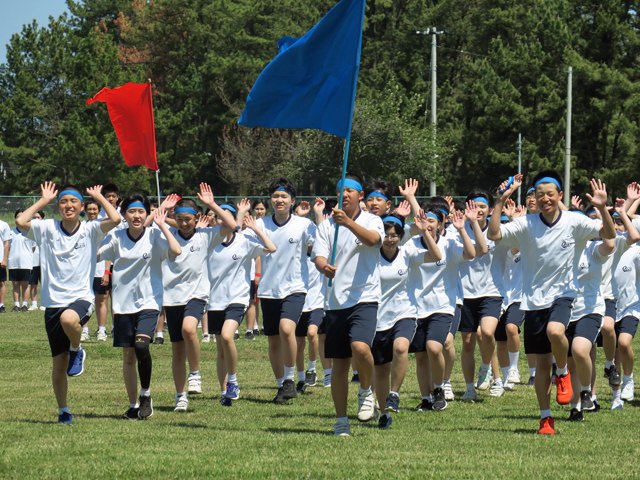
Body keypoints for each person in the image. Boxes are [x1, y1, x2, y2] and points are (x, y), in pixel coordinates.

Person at [488, 173, 615, 435]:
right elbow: (495, 234)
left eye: (551, 193)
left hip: (564, 294)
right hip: (533, 301)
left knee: (556, 331)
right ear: (533, 196)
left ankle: (564, 372)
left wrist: (602, 208)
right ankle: (546, 418)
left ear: (560, 196)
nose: (545, 199)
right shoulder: (526, 224)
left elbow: (607, 234)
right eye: (539, 193)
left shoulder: (574, 221)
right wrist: (500, 200)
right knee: (541, 365)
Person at [16, 182, 121, 425]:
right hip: (53, 302)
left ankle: (78, 349)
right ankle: (64, 410)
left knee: (69, 319)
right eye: (63, 201)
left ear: (82, 206)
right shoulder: (47, 228)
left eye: (73, 201)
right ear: (58, 206)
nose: (68, 206)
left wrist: (98, 196)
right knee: (58, 363)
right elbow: (21, 222)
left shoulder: (90, 229)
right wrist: (43, 201)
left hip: (81, 298)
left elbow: (115, 219)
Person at [312, 174, 385, 436]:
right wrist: (325, 267)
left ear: (360, 196)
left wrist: (347, 223)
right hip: (335, 303)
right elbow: (318, 256)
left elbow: (374, 240)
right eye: (340, 191)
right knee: (340, 364)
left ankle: (366, 391)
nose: (344, 195)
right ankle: (341, 420)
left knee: (360, 347)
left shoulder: (371, 220)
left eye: (350, 191)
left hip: (365, 298)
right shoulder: (326, 226)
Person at [99, 195, 182, 419]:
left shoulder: (154, 235)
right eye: (132, 212)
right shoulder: (116, 236)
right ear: (124, 215)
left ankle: (146, 395)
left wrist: (162, 224)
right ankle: (134, 404)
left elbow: (176, 251)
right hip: (123, 305)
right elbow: (96, 253)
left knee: (141, 346)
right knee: (128, 356)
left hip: (149, 302)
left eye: (141, 212)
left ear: (148, 214)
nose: (137, 216)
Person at [161, 184, 237, 412]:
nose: (184, 224)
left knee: (189, 329)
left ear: (198, 218)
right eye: (180, 219)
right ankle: (181, 396)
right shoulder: (166, 234)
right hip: (171, 298)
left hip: (196, 295)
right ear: (174, 217)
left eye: (189, 219)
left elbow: (232, 225)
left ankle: (195, 374)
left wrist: (212, 203)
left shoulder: (206, 236)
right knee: (177, 352)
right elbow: (144, 227)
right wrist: (162, 212)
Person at [249, 178, 316, 404]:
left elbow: (319, 245)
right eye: (276, 196)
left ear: (292, 201)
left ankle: (289, 379)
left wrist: (317, 216)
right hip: (268, 289)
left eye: (284, 196)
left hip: (295, 287)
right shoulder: (260, 224)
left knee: (287, 330)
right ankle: (282, 386)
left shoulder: (304, 225)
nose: (280, 200)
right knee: (274, 341)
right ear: (271, 200)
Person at [374, 210, 441, 429]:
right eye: (386, 235)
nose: (390, 239)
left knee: (401, 348)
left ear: (400, 236)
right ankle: (384, 412)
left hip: (405, 312)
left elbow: (436, 256)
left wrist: (425, 232)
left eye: (394, 235)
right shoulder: (371, 256)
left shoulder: (407, 253)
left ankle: (394, 394)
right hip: (377, 317)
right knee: (382, 369)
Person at [208, 201, 276, 406]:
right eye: (217, 217)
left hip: (237, 299)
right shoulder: (208, 241)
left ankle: (234, 381)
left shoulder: (244, 240)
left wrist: (255, 228)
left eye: (224, 217)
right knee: (221, 349)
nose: (220, 220)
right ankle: (224, 391)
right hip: (214, 301)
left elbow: (271, 248)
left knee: (228, 337)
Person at [245, 198, 269, 337]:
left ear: (266, 210)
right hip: (255, 266)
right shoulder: (250, 226)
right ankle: (254, 325)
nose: (259, 211)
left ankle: (265, 325)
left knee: (265, 298)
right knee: (254, 300)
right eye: (257, 209)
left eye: (262, 209)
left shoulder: (268, 225)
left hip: (267, 265)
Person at [8, 209, 35, 312]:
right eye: (18, 216)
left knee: (25, 284)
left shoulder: (30, 232)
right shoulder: (11, 233)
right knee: (15, 285)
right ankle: (16, 305)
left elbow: (33, 247)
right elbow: (8, 247)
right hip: (13, 262)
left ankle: (24, 305)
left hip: (26, 263)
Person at [28, 210, 45, 311]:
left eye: (38, 217)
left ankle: (44, 303)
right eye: (34, 217)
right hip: (33, 261)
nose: (36, 219)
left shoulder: (46, 230)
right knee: (33, 283)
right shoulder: (30, 230)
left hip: (44, 261)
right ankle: (34, 303)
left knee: (44, 283)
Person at [0, 215, 10, 313]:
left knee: (1, 283)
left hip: (0, 260)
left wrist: (5, 259)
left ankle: (1, 306)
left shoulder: (3, 225)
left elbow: (6, 243)